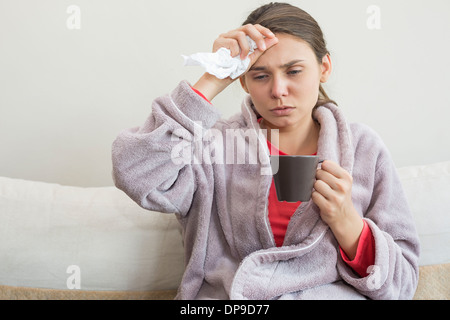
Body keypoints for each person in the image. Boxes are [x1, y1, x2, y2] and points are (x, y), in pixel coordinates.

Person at [112, 2, 420, 299]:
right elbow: (136, 174)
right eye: (260, 75)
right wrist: (212, 77)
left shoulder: (364, 148)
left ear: (324, 67)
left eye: (294, 71)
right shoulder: (214, 147)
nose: (278, 90)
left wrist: (348, 224)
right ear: (243, 81)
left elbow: (402, 284)